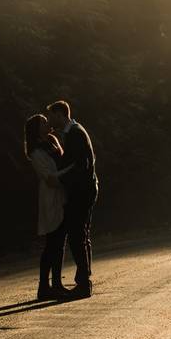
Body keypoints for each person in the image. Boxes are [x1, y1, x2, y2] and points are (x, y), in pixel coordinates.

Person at [47, 100, 98, 298]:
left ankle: (84, 284)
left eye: (52, 116)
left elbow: (81, 165)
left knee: (77, 236)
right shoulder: (75, 131)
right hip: (84, 189)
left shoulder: (76, 133)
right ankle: (84, 280)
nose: (50, 120)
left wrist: (60, 178)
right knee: (81, 235)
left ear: (60, 114)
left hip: (82, 191)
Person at [24, 113, 74, 300]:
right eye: (44, 123)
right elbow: (50, 178)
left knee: (60, 243)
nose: (48, 124)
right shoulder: (36, 153)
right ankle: (44, 286)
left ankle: (57, 284)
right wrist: (72, 170)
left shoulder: (53, 142)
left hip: (61, 195)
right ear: (36, 130)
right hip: (50, 197)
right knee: (52, 243)